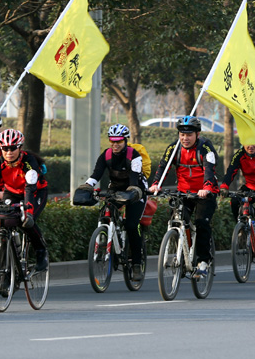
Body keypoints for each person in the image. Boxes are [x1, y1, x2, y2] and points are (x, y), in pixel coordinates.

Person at [149, 116, 219, 279]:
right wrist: (156, 184)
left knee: (201, 223)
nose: (185, 138)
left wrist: (206, 188)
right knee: (177, 220)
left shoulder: (206, 149)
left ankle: (203, 261)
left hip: (204, 193)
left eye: (189, 135)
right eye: (182, 134)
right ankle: (183, 251)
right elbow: (163, 167)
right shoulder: (173, 148)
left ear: (197, 134)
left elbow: (210, 170)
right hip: (183, 192)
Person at [77, 124, 148, 282]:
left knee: (130, 225)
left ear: (125, 141)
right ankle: (108, 237)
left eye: (119, 142)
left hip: (136, 189)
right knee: (105, 215)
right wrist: (87, 186)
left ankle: (136, 264)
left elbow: (135, 177)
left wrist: (131, 191)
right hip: (115, 188)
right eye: (112, 141)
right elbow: (96, 174)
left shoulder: (134, 155)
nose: (115, 145)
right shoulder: (106, 155)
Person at [0, 129, 49, 271]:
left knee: (26, 222)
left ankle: (41, 252)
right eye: (4, 149)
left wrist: (28, 213)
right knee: (4, 221)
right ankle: (7, 263)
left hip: (36, 192)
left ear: (20, 148)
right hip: (12, 192)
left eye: (13, 148)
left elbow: (30, 189)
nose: (9, 152)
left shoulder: (29, 161)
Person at [219, 142, 255, 276]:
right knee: (234, 201)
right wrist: (224, 186)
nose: (250, 146)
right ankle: (242, 228)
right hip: (250, 188)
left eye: (253, 144)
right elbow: (231, 171)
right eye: (247, 144)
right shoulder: (239, 155)